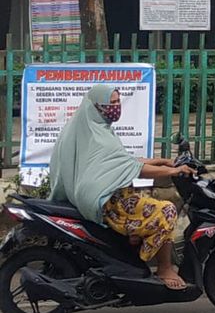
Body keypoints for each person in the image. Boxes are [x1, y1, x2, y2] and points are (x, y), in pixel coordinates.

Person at [48, 85, 197, 289]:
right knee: (167, 210)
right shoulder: (97, 135)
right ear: (96, 107)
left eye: (118, 102)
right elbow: (132, 167)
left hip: (109, 194)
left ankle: (136, 243)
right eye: (112, 104)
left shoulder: (93, 128)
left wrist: (165, 162)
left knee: (150, 206)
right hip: (109, 200)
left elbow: (125, 161)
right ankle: (164, 268)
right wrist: (171, 172)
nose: (116, 107)